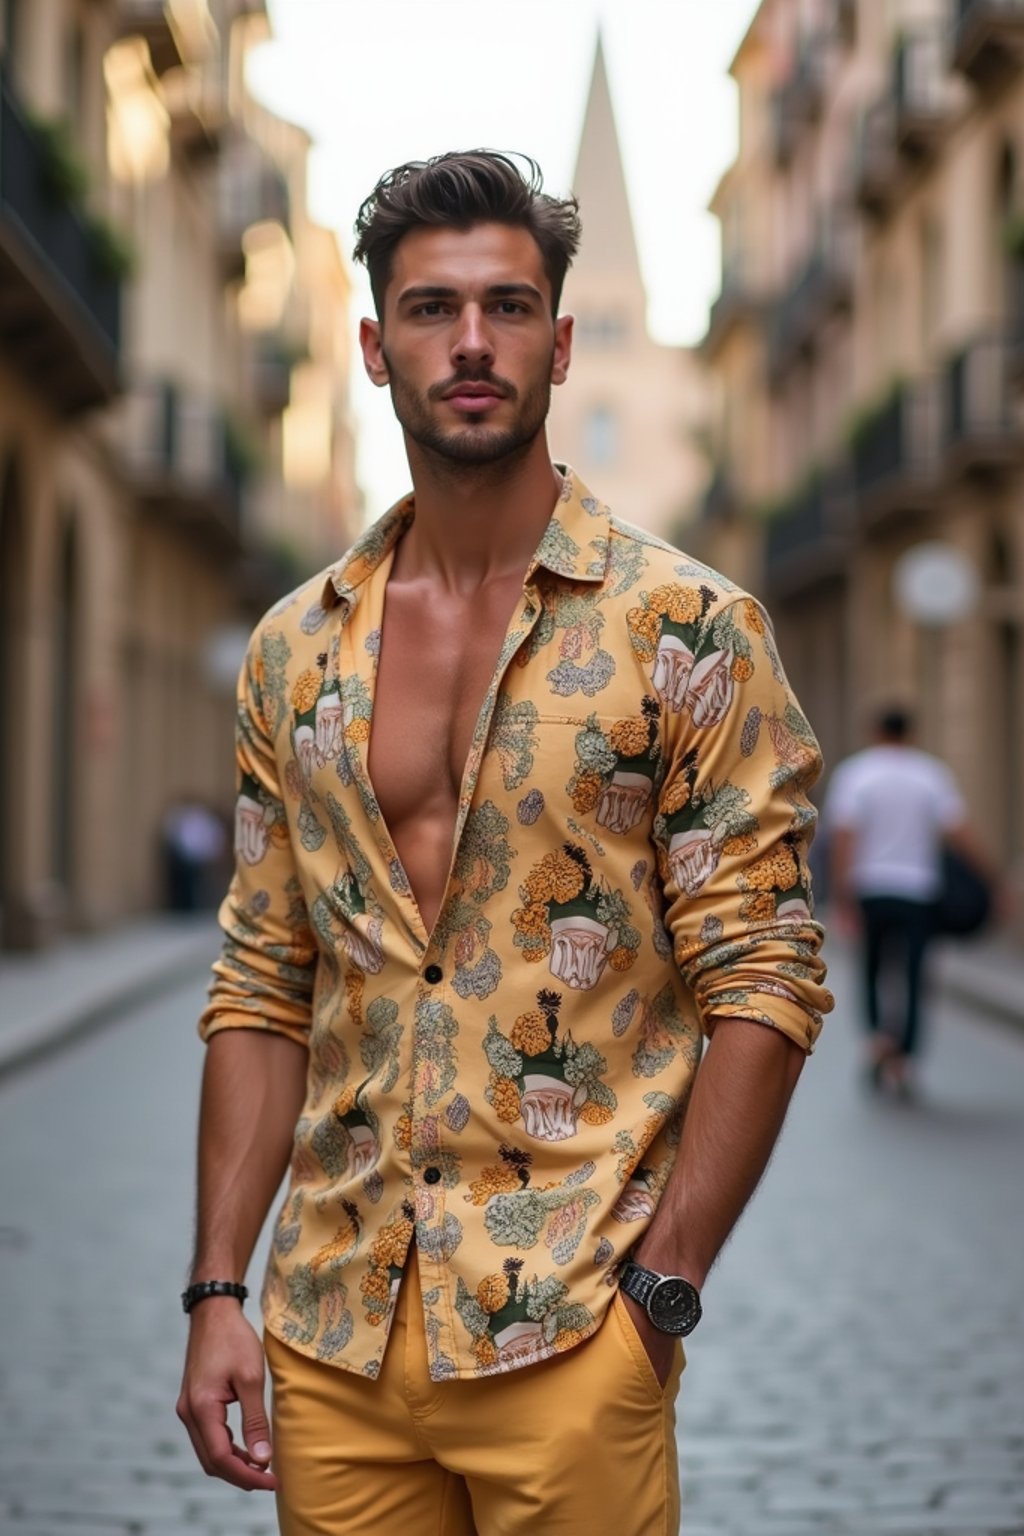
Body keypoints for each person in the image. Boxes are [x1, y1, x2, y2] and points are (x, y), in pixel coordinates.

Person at [176, 150, 832, 1536]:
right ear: (373, 346)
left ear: (560, 341)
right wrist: (218, 1289)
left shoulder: (688, 629)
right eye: (430, 309)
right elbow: (260, 979)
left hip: (572, 1333)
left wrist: (660, 1296)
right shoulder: (295, 649)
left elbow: (763, 975)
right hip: (334, 1334)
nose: (470, 343)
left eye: (508, 306)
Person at [825, 706, 989, 1097]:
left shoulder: (856, 773)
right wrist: (992, 881)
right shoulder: (930, 774)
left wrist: (842, 896)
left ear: (875, 731)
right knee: (915, 974)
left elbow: (844, 839)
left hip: (871, 888)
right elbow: (958, 832)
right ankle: (904, 1061)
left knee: (873, 968)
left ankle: (880, 1039)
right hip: (918, 889)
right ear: (910, 733)